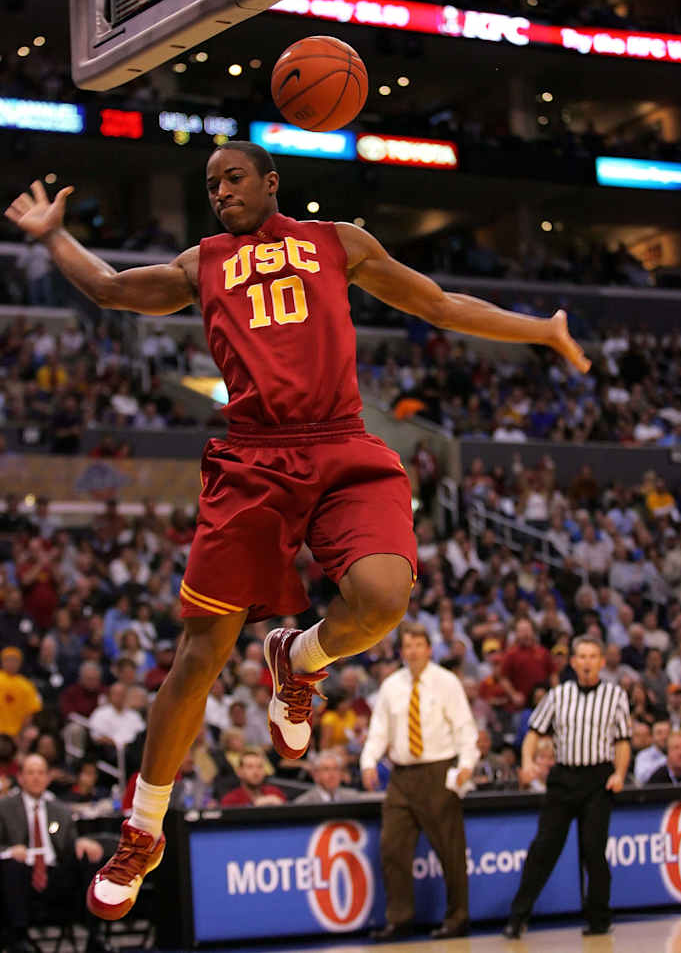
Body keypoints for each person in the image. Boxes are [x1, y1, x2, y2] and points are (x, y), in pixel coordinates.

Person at [4, 146, 589, 921]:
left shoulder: (338, 242)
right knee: (201, 655)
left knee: (384, 597)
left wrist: (541, 330)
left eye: (234, 178)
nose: (221, 192)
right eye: (210, 185)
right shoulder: (203, 262)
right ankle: (142, 832)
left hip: (341, 443)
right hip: (253, 460)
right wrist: (53, 236)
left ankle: (298, 657)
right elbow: (111, 289)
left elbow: (440, 304)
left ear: (271, 182)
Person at [503, 636, 631, 939]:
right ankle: (518, 918)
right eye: (581, 657)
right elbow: (533, 732)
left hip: (598, 778)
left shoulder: (615, 695)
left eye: (592, 656)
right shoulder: (558, 695)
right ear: (573, 662)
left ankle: (599, 919)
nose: (587, 662)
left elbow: (623, 741)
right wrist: (527, 761)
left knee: (594, 850)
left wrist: (620, 773)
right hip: (563, 778)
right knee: (543, 849)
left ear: (601, 662)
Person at [360, 622, 479, 940]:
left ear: (429, 649)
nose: (412, 652)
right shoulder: (391, 686)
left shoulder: (447, 682)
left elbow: (465, 727)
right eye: (407, 646)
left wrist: (467, 763)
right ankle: (399, 919)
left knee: (450, 850)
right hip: (400, 775)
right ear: (401, 651)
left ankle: (458, 918)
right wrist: (368, 762)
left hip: (438, 771)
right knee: (392, 848)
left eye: (418, 645)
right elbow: (379, 730)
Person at [0, 755, 106, 953]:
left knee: (88, 858)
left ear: (48, 778)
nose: (36, 778)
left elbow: (69, 846)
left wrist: (81, 843)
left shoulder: (61, 810)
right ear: (20, 777)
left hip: (55, 874)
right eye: (30, 773)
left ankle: (95, 936)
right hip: (22, 874)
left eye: (41, 773)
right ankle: (18, 939)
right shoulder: (4, 808)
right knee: (12, 867)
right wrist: (9, 851)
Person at [219, 749, 286, 806]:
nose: (256, 772)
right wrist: (253, 805)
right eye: (250, 767)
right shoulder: (230, 800)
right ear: (239, 772)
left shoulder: (275, 792)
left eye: (260, 767)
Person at [294, 750, 360, 804]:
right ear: (316, 775)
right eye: (326, 769)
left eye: (335, 769)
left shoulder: (353, 798)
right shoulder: (304, 803)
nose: (332, 774)